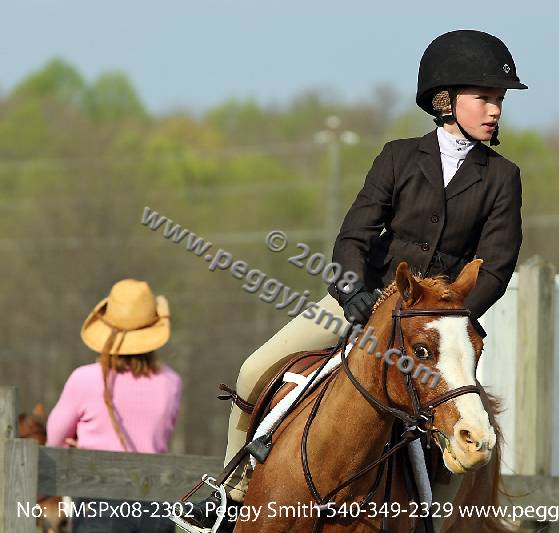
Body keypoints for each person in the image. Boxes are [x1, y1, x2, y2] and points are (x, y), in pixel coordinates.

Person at [176, 29, 527, 533]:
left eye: (499, 101)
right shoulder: (398, 156)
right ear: (446, 100)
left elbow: (497, 264)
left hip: (432, 324)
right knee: (253, 370)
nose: (495, 110)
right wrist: (351, 291)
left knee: (472, 432)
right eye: (484, 98)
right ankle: (230, 491)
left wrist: (449, 318)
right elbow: (355, 234)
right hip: (363, 299)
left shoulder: (502, 177)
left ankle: (433, 521)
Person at [47, 279, 182, 532]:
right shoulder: (171, 382)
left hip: (99, 501)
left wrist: (79, 444)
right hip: (156, 501)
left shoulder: (83, 378)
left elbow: (54, 441)